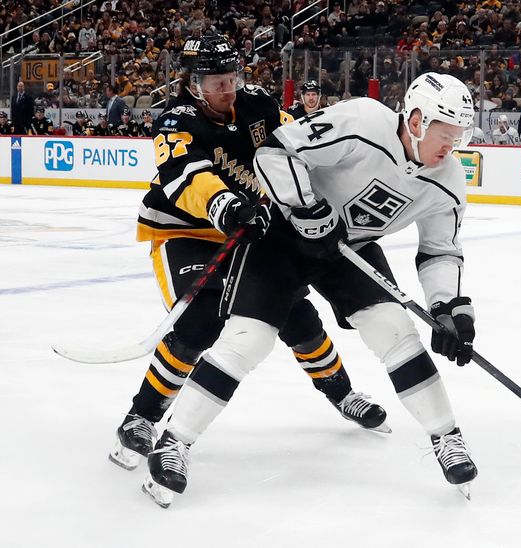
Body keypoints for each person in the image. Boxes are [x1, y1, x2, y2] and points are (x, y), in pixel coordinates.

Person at [144, 72, 480, 507]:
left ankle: (446, 438)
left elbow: (439, 252)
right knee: (249, 339)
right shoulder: (363, 120)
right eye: (446, 135)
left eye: (459, 138)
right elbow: (276, 150)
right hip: (283, 237)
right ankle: (174, 441)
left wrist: (449, 307)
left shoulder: (448, 181)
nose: (451, 147)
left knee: (396, 330)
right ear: (416, 120)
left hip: (348, 248)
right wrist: (307, 206)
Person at [113, 34, 389, 479]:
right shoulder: (174, 122)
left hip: (250, 230)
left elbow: (298, 147)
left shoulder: (259, 104)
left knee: (296, 315)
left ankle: (342, 394)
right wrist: (227, 205)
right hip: (187, 232)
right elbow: (186, 177)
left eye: (232, 77)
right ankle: (141, 418)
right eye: (218, 81)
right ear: (193, 82)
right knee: (199, 321)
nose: (228, 88)